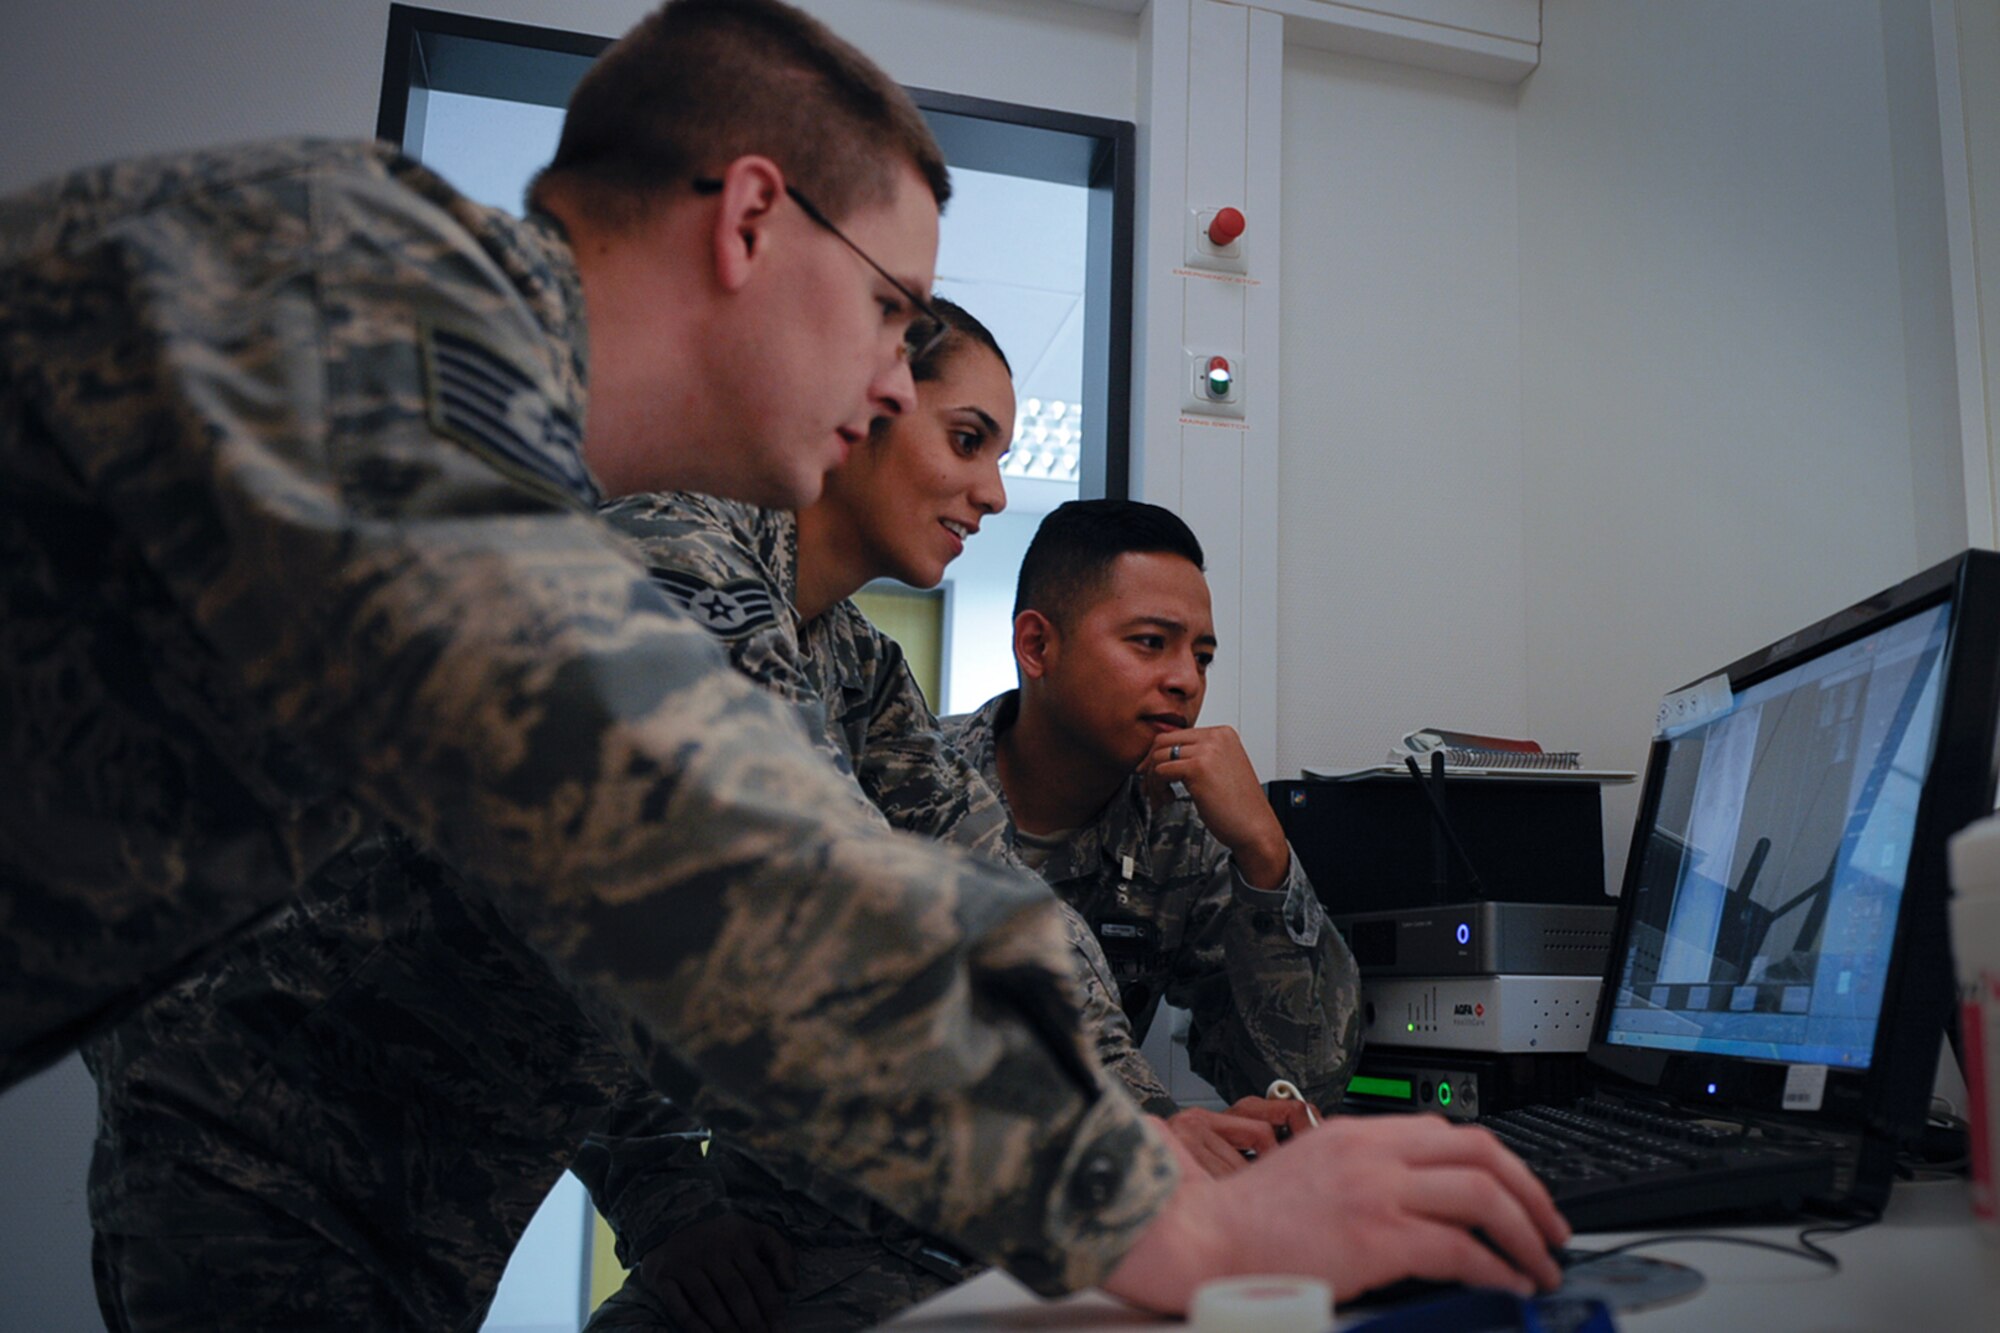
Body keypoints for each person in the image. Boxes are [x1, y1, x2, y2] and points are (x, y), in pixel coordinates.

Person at [6, 0, 1567, 1317]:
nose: (891, 377)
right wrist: (1164, 1214)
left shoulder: (774, 615)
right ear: (752, 220)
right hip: (270, 1156)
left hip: (407, 1184)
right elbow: (718, 850)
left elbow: (979, 900)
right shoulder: (394, 302)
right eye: (891, 311)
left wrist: (1142, 1129)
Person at [587, 306, 1327, 1331]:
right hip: (341, 1103)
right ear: (857, 409)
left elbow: (1010, 912)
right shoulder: (681, 563)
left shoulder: (855, 663)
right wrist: (670, 1206)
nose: (991, 491)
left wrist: (1144, 1114)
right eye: (967, 439)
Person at [942, 499, 1359, 1112]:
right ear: (1036, 646)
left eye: (1202, 656)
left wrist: (1265, 855)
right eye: (1151, 642)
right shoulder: (910, 777)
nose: (1187, 679)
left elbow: (1302, 1082)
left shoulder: (1183, 832)